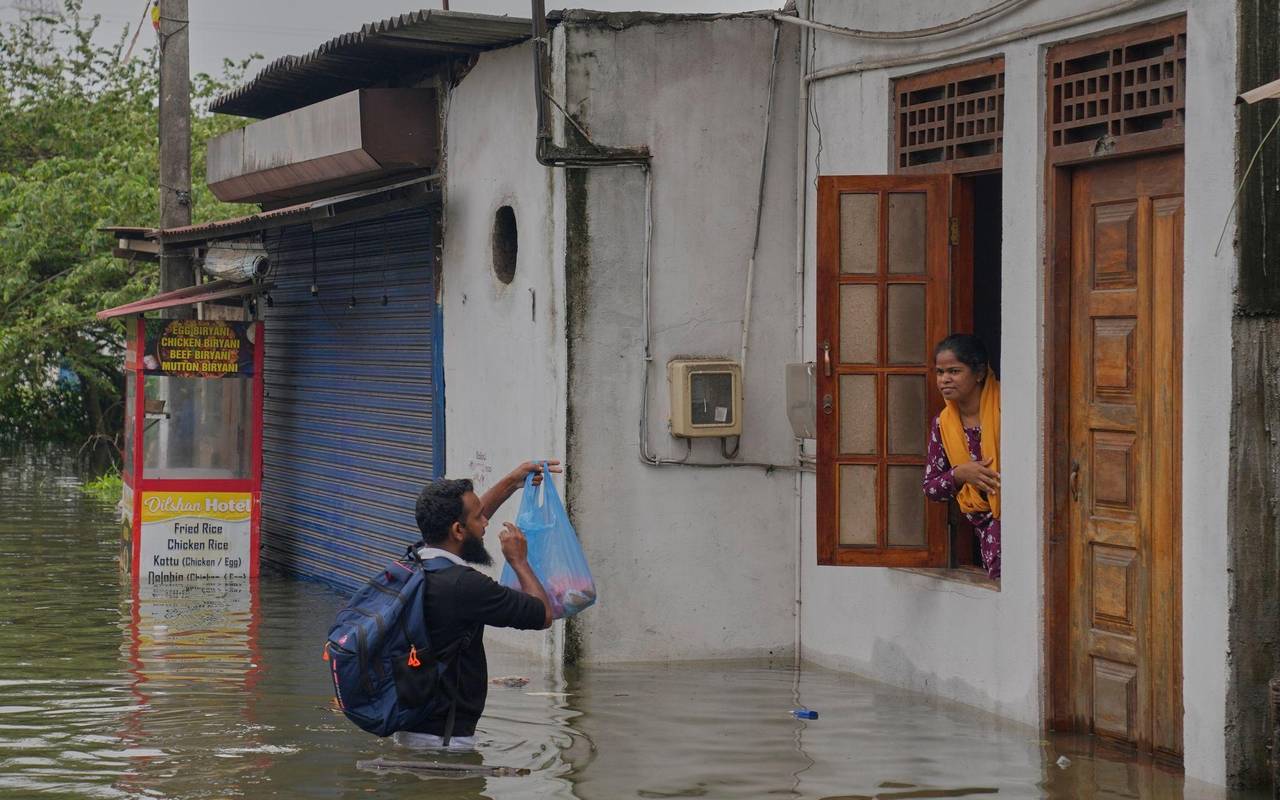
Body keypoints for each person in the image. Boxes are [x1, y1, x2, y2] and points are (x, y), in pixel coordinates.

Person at [392, 461, 559, 750]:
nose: (486, 524)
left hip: (411, 730)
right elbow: (542, 613)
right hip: (447, 744)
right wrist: (518, 560)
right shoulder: (467, 587)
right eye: (479, 518)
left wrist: (511, 482)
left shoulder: (415, 562)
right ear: (458, 529)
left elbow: (464, 531)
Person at [921, 335, 1001, 579]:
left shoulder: (1009, 409)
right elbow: (931, 487)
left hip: (1024, 524)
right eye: (940, 372)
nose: (945, 379)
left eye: (954, 371)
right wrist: (959, 474)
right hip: (987, 533)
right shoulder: (943, 424)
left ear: (978, 373)